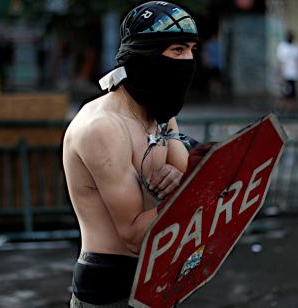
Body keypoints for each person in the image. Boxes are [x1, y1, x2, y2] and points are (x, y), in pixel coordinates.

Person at [62, 2, 198, 307]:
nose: (188, 59)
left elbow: (187, 175)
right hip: (109, 288)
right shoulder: (103, 127)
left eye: (191, 49)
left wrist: (182, 179)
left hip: (159, 279)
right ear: (145, 57)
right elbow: (134, 235)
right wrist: (191, 189)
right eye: (177, 50)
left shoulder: (158, 111)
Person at [276, 30, 298, 112]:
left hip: (294, 73)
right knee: (284, 93)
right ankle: (281, 108)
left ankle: (291, 109)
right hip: (285, 73)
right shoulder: (282, 46)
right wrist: (280, 74)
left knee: (293, 93)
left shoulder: (296, 46)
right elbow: (280, 61)